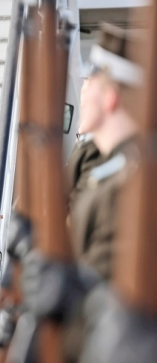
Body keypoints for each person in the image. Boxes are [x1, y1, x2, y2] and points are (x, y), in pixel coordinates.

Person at [69, 23, 140, 281]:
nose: (83, 91)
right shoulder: (111, 169)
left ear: (110, 97)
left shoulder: (127, 180)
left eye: (90, 81)